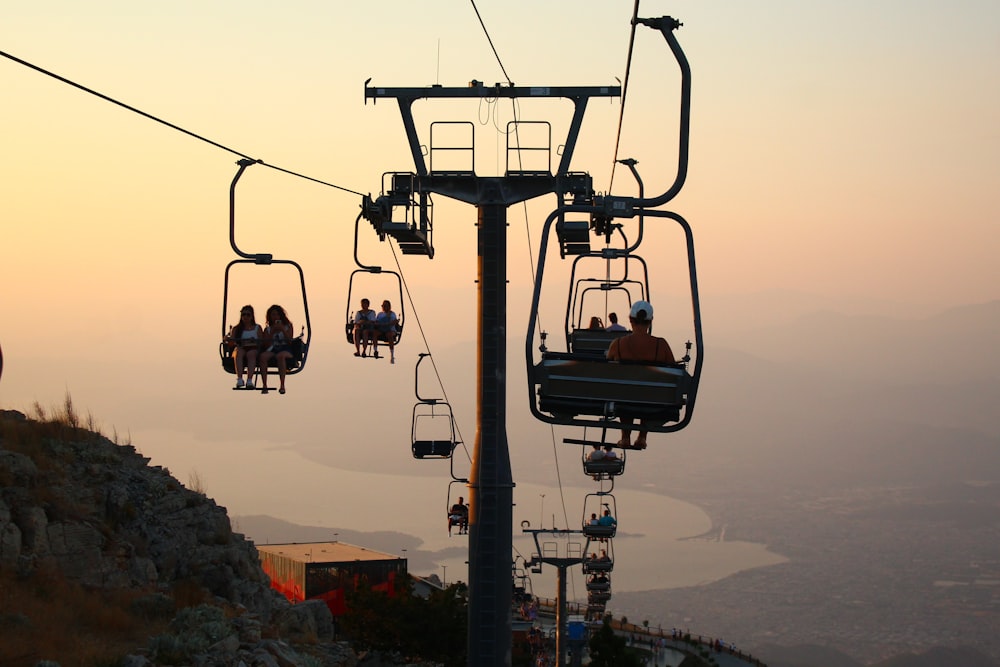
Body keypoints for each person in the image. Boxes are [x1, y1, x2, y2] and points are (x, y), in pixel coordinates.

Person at [606, 300, 675, 449]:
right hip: (651, 398)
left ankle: (625, 437)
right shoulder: (661, 345)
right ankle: (642, 437)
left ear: (630, 320)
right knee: (647, 391)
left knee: (626, 392)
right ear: (650, 321)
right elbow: (673, 369)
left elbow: (608, 365)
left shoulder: (618, 344)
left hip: (624, 397)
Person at [259, 304, 293, 395]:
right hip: (272, 348)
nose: (275, 317)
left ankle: (282, 385)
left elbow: (290, 341)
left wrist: (282, 330)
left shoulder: (288, 326)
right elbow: (266, 344)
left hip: (285, 348)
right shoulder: (268, 330)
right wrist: (273, 332)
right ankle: (264, 385)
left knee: (280, 356)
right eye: (273, 315)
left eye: (277, 315)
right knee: (263, 357)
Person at [226, 305, 263, 389]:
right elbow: (232, 343)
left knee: (251, 354)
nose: (245, 317)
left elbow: (261, 341)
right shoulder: (236, 329)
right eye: (244, 315)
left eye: (248, 315)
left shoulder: (257, 328)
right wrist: (228, 339)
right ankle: (239, 378)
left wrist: (253, 341)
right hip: (241, 347)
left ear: (252, 316)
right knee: (238, 352)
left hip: (253, 348)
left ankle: (249, 380)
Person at [373, 299, 399, 364]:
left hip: (390, 329)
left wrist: (387, 324)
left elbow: (393, 322)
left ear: (389, 306)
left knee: (389, 335)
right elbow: (376, 321)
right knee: (374, 334)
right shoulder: (380, 314)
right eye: (383, 306)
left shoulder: (392, 314)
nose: (384, 307)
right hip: (381, 329)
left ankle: (392, 355)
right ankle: (375, 350)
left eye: (385, 306)